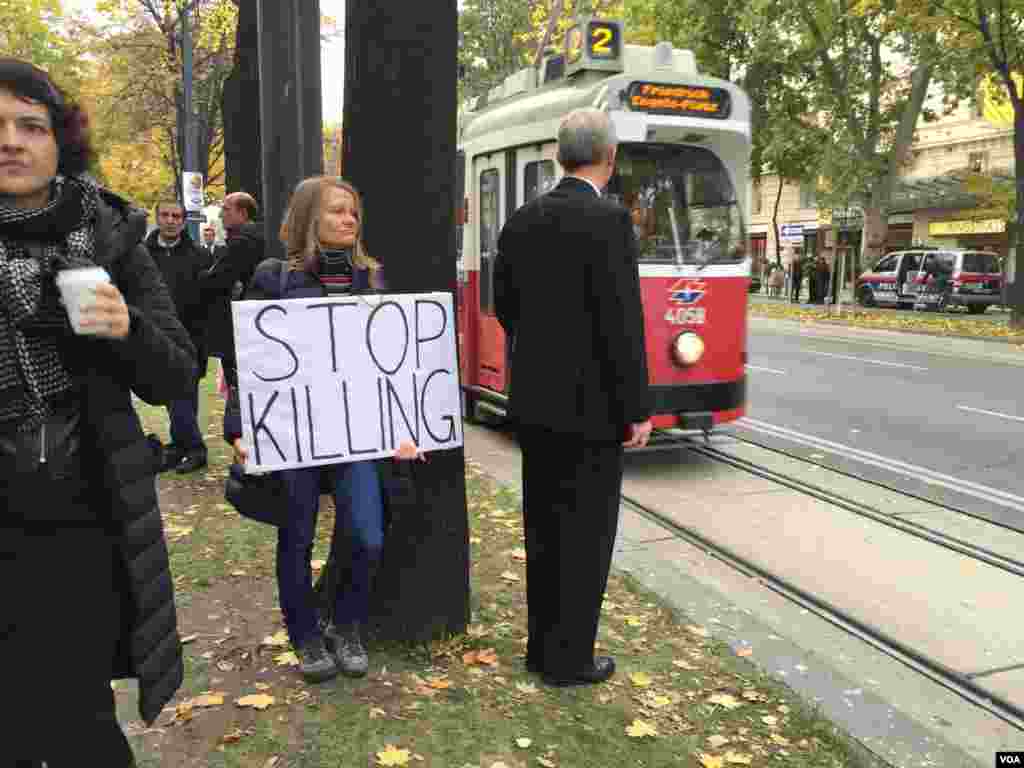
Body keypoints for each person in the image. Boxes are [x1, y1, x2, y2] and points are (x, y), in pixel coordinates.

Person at [0, 58, 195, 766]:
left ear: (61, 143)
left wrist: (124, 331)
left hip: (82, 526)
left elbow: (177, 374)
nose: (12, 141)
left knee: (82, 720)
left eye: (31, 125)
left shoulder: (109, 237)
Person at [224, 176, 420, 684]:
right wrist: (241, 429)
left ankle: (347, 624)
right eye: (337, 211)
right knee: (296, 537)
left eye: (353, 211)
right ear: (311, 217)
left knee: (368, 535)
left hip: (357, 433)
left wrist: (406, 425)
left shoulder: (372, 280)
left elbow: (392, 366)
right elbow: (250, 360)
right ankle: (306, 637)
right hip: (294, 434)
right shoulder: (274, 278)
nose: (349, 219)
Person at [493, 108, 652, 687]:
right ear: (609, 158)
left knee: (543, 528)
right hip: (593, 411)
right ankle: (571, 658)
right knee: (586, 535)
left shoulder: (522, 219)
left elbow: (503, 306)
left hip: (536, 404)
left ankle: (541, 648)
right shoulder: (610, 220)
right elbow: (622, 323)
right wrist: (637, 407)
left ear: (560, 156)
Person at [144, 200, 211, 472]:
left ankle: (193, 447)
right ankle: (181, 444)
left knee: (184, 394)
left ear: (183, 221)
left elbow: (206, 300)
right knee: (172, 394)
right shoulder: (142, 255)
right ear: (157, 217)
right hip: (154, 335)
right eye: (165, 215)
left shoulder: (199, 256)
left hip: (189, 337)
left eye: (176, 216)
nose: (171, 220)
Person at [201, 191, 264, 389]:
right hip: (249, 324)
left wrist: (203, 276)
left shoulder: (242, 243)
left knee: (239, 389)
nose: (221, 215)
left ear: (243, 213)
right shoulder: (253, 238)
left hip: (238, 327)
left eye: (226, 210)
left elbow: (217, 280)